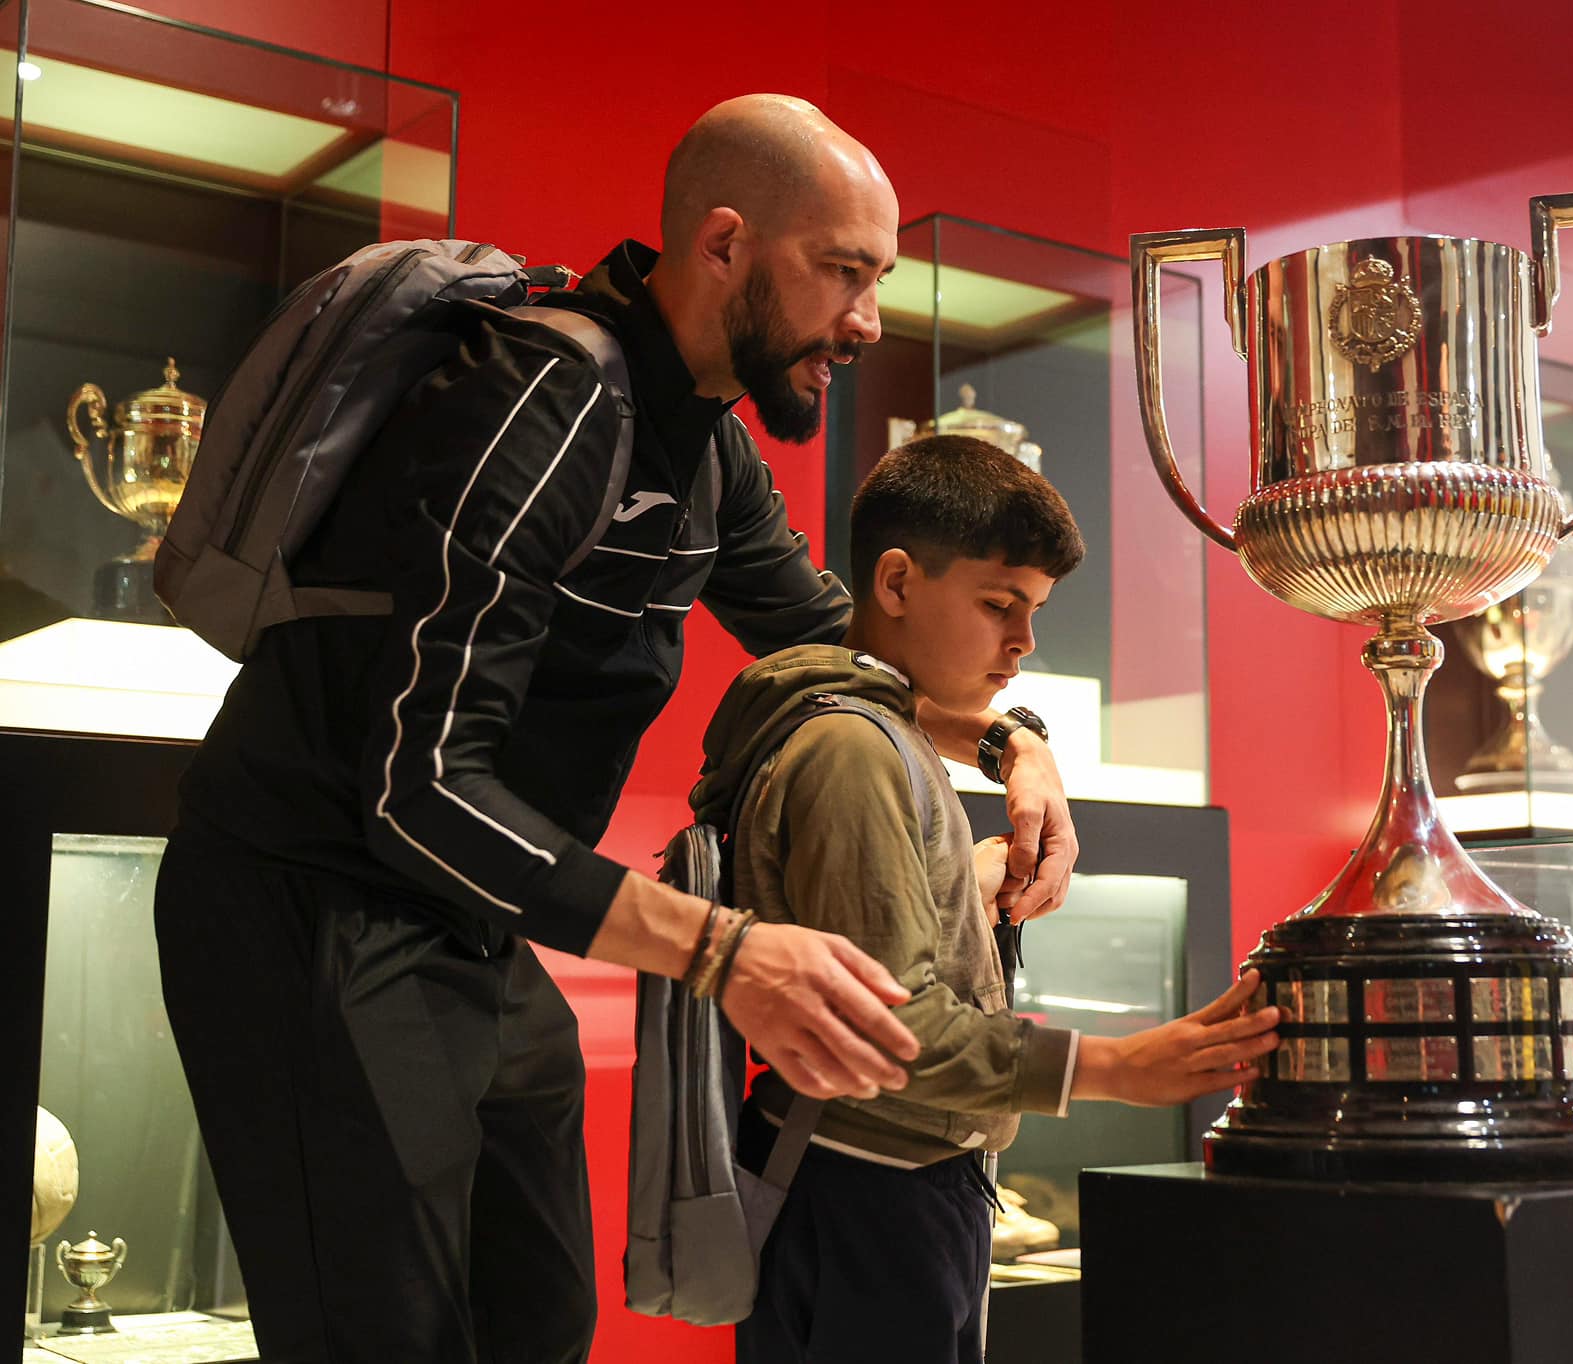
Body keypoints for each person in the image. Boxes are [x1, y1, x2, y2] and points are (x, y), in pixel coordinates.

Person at [151, 95, 1080, 1363]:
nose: (862, 322)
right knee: (388, 1336)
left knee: (538, 1322)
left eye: (876, 280)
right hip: (310, 904)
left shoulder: (704, 446)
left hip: (469, 926)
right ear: (723, 245)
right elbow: (418, 785)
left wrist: (1011, 744)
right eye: (842, 272)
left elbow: (840, 643)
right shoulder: (538, 398)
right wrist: (726, 952)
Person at [690, 435, 1280, 1363]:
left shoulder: (887, 731)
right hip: (862, 1191)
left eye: (1035, 610)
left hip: (893, 1183)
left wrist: (966, 878)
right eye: (1000, 604)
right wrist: (1113, 1067)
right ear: (894, 583)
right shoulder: (851, 748)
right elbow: (888, 1028)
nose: (1024, 641)